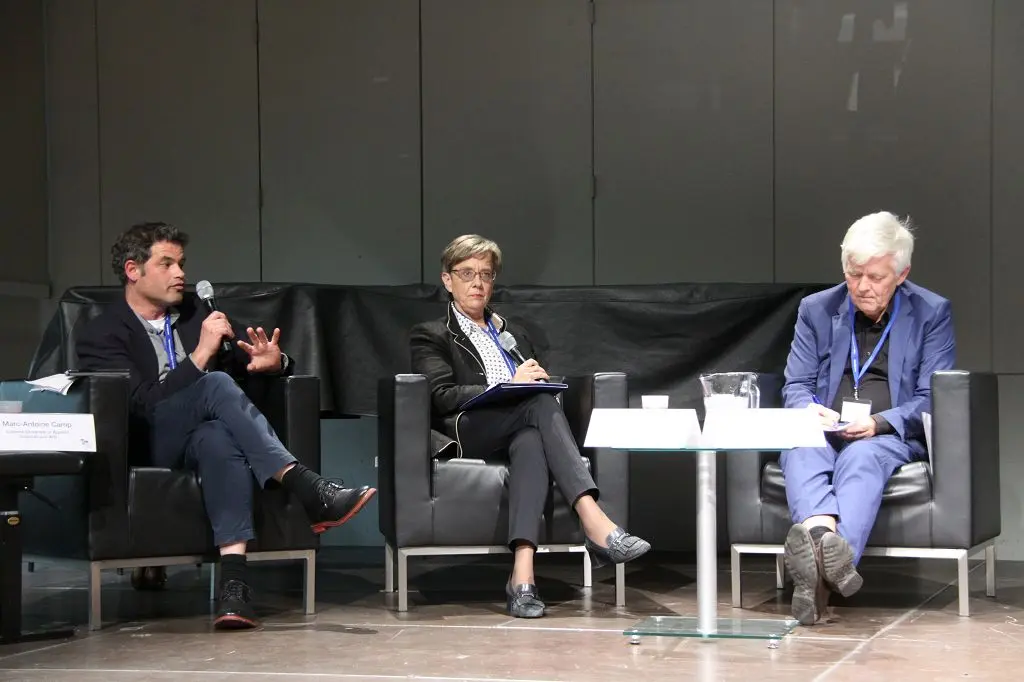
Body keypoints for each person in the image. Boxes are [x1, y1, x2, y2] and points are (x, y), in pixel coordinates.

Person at [76, 222, 377, 630]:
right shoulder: (102, 332)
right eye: (166, 264)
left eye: (182, 263)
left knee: (218, 437)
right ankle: (307, 487)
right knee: (214, 383)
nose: (180, 274)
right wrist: (200, 355)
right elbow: (139, 406)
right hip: (148, 439)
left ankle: (234, 588)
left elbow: (239, 372)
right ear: (133, 270)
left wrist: (273, 363)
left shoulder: (194, 313)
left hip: (198, 436)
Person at [409, 234, 651, 618]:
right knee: (537, 404)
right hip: (469, 428)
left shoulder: (514, 333)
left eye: (486, 274)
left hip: (520, 424)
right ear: (447, 280)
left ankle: (522, 578)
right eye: (467, 273)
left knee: (531, 441)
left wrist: (539, 382)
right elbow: (441, 395)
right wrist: (509, 385)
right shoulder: (432, 333)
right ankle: (595, 521)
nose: (477, 283)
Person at [779, 211, 955, 625]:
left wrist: (879, 423)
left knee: (861, 457)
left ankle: (816, 573)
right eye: (853, 274)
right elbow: (796, 383)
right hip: (826, 428)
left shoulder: (931, 312)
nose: (861, 286)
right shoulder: (816, 309)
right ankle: (826, 548)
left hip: (888, 435)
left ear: (901, 274)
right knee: (800, 445)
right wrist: (807, 409)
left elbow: (933, 397)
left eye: (875, 277)